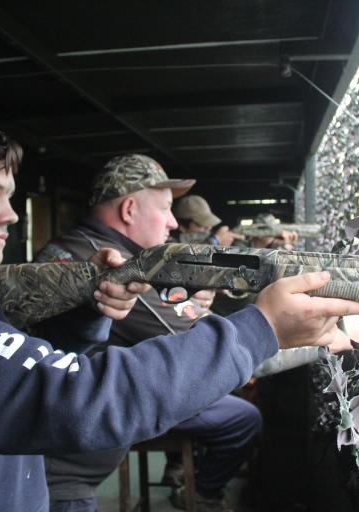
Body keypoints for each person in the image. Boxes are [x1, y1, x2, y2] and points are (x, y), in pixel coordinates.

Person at [0, 107, 359, 512]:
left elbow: (33, 365)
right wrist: (262, 328)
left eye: (8, 195)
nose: (11, 214)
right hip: (64, 474)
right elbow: (69, 395)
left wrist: (90, 313)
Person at [35, 157, 257, 511]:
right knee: (243, 416)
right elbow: (201, 344)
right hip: (61, 473)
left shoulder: (78, 246)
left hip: (61, 453)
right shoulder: (115, 266)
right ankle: (200, 493)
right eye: (166, 209)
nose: (172, 221)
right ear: (128, 209)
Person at [172, 194, 243, 246]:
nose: (209, 228)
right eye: (201, 224)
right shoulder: (168, 241)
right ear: (182, 226)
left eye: (209, 224)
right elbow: (184, 257)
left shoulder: (206, 237)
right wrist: (215, 240)